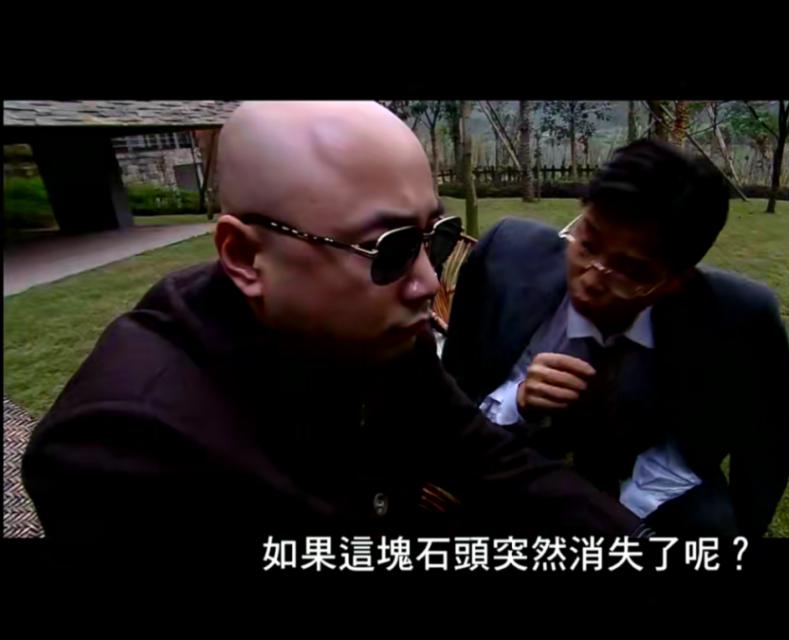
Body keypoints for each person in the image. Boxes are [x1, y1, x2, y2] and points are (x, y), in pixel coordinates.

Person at [21, 102, 644, 553]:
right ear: (245, 256)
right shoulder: (120, 448)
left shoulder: (383, 335)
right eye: (390, 248)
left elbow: (492, 461)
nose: (427, 281)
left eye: (435, 237)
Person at [442, 139, 789, 538]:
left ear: (676, 279)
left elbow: (769, 447)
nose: (592, 279)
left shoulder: (740, 317)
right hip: (511, 486)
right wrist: (518, 400)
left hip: (666, 507)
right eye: (587, 243)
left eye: (630, 271)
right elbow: (450, 389)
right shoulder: (504, 256)